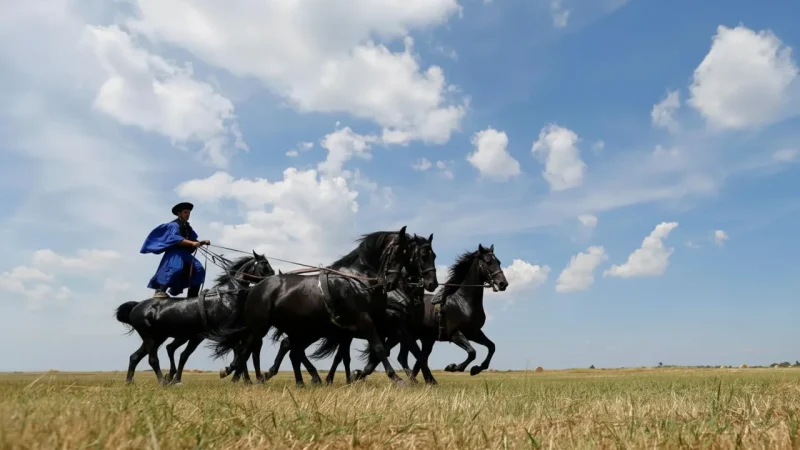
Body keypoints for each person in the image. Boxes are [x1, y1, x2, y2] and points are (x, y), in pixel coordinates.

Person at [140, 202, 210, 299]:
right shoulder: (174, 225)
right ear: (179, 213)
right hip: (175, 253)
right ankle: (160, 291)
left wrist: (201, 242)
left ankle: (193, 297)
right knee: (175, 268)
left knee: (199, 269)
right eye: (185, 212)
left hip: (185, 254)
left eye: (189, 213)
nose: (188, 215)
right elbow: (175, 239)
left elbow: (193, 240)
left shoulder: (188, 227)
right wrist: (192, 243)